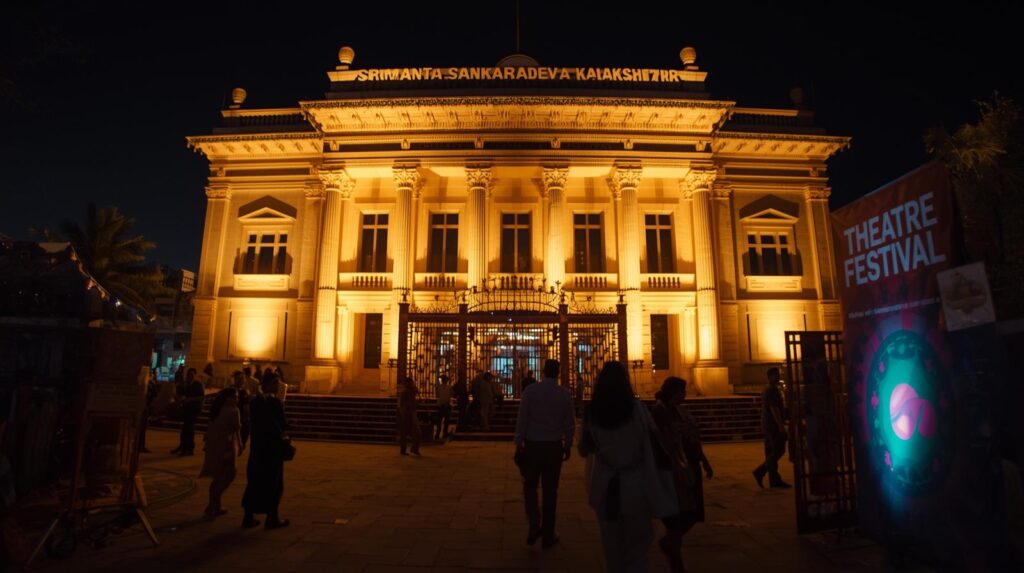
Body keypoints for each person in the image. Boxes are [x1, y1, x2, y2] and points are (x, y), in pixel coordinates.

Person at [581, 361, 675, 573]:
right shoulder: (638, 410)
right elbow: (653, 441)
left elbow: (584, 449)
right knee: (638, 549)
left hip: (604, 486)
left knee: (611, 547)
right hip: (636, 485)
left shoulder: (592, 412)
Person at [651, 377, 713, 573]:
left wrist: (703, 459)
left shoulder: (681, 410)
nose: (685, 394)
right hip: (676, 468)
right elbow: (665, 441)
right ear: (673, 391)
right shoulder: (660, 411)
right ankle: (674, 554)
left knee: (692, 512)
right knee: (681, 513)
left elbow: (693, 437)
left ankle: (671, 545)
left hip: (689, 465)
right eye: (682, 391)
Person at [514, 359, 575, 549]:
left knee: (530, 486)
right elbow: (569, 424)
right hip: (553, 448)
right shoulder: (564, 394)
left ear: (542, 371)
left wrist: (518, 442)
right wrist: (568, 445)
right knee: (551, 491)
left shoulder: (531, 391)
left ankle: (534, 524)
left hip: (532, 446)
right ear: (558, 373)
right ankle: (548, 534)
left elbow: (522, 419)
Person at [242, 372, 290, 529]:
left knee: (254, 482)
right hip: (272, 450)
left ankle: (248, 517)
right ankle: (272, 518)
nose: (279, 386)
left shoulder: (255, 402)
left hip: (257, 448)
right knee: (274, 484)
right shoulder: (275, 403)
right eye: (276, 383)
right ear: (267, 385)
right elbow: (282, 425)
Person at [200, 388, 241, 520]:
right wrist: (240, 444)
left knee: (218, 476)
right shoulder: (233, 410)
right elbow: (237, 429)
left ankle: (215, 505)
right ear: (227, 398)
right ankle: (213, 505)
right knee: (229, 474)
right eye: (234, 396)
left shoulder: (216, 410)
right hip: (226, 445)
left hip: (214, 444)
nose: (237, 399)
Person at [753, 367, 791, 488]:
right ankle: (760, 471)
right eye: (776, 375)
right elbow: (774, 408)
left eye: (778, 375)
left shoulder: (769, 389)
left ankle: (774, 479)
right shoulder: (772, 391)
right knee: (779, 450)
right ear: (769, 376)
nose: (778, 377)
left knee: (771, 452)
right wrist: (781, 426)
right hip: (772, 426)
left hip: (767, 425)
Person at [171, 368, 204, 455]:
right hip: (186, 409)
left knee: (189, 429)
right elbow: (181, 394)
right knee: (184, 429)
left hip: (194, 409)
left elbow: (201, 397)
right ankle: (182, 446)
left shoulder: (197, 384)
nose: (190, 376)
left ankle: (189, 449)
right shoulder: (186, 384)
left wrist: (190, 399)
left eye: (192, 375)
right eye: (189, 375)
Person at [397, 376, 421, 455]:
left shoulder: (411, 391)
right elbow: (401, 404)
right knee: (405, 432)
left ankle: (413, 448)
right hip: (407, 413)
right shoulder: (404, 392)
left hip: (411, 412)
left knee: (415, 432)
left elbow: (416, 392)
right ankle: (405, 449)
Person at [230, 370, 252, 451]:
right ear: (235, 379)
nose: (241, 380)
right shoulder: (231, 390)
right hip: (234, 417)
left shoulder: (245, 391)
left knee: (244, 434)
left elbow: (247, 404)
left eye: (242, 378)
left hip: (244, 418)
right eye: (239, 378)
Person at [139, 370, 159, 454]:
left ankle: (140, 445)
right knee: (141, 427)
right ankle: (140, 445)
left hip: (146, 406)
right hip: (143, 406)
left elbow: (155, 393)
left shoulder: (150, 384)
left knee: (143, 428)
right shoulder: (147, 384)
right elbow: (154, 393)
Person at [434, 375, 453, 440]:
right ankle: (444, 433)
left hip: (440, 405)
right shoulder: (449, 387)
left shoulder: (438, 387)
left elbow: (437, 395)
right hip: (446, 405)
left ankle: (437, 434)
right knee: (446, 421)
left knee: (439, 421)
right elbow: (451, 395)